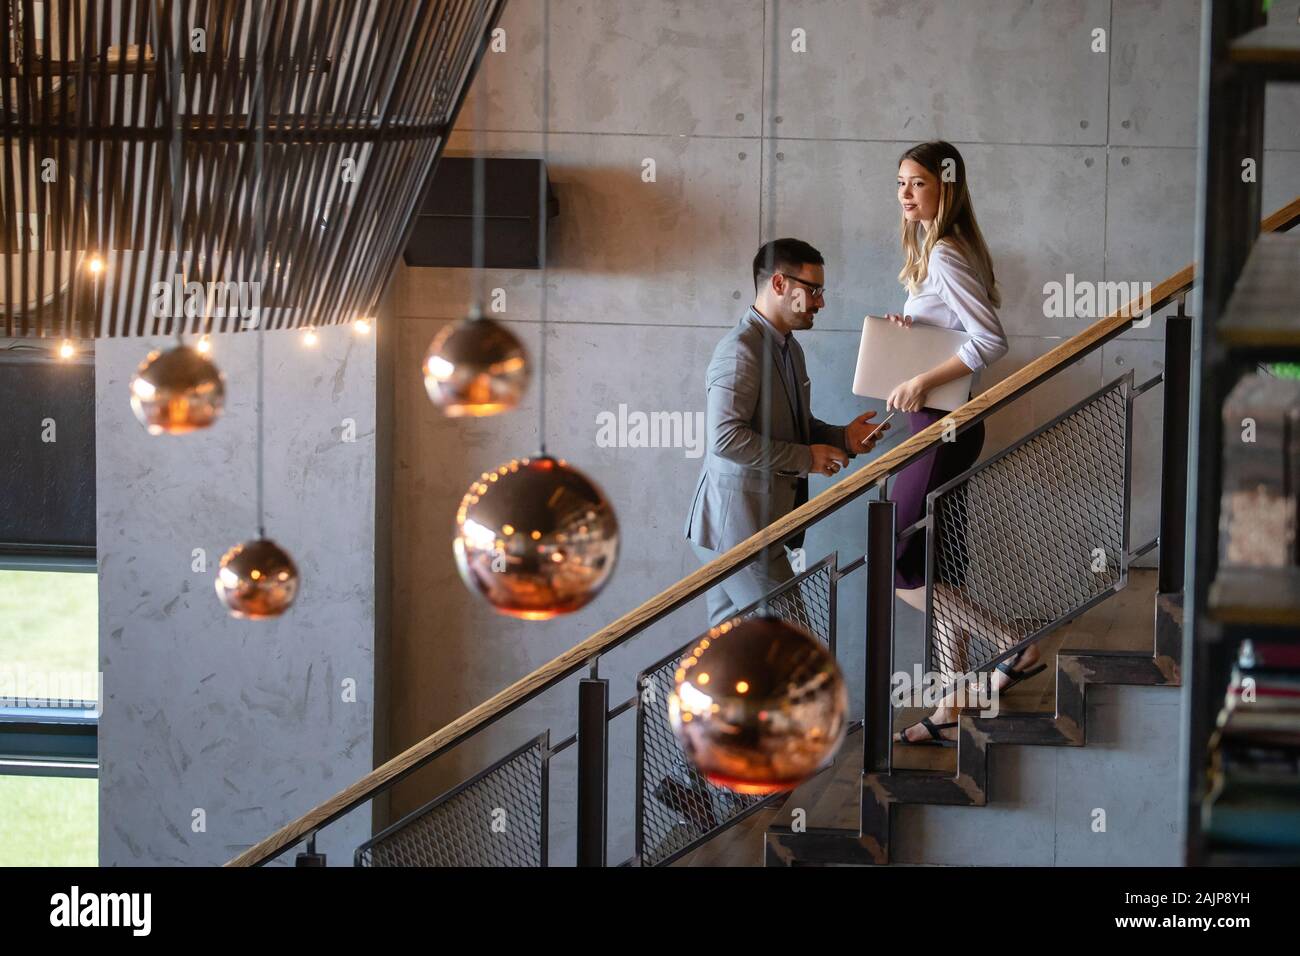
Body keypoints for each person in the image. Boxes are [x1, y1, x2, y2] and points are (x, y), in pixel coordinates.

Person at [883, 141, 1042, 747]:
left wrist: (922, 376)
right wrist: (914, 333)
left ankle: (1011, 645)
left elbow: (990, 340)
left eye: (917, 183)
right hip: (939, 425)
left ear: (945, 188)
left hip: (942, 427)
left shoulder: (946, 250)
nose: (905, 193)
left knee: (897, 559)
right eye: (900, 182)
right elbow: (954, 329)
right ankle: (952, 703)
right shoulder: (939, 249)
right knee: (938, 566)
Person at [684, 238, 887, 629]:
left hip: (755, 531)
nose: (820, 303)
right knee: (794, 647)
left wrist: (843, 437)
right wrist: (807, 459)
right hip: (738, 535)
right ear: (780, 284)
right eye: (813, 291)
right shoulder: (740, 351)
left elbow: (797, 427)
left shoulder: (789, 349)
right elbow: (725, 438)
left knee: (734, 653)